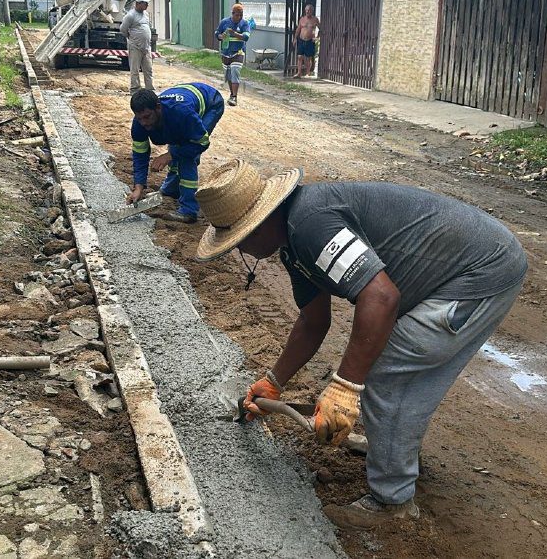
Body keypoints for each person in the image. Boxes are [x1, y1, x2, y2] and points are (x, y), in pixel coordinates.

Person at [195, 159, 526, 529]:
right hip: (459, 267)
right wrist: (274, 380)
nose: (245, 251)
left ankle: (393, 503)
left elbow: (381, 298)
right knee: (383, 368)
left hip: (479, 270)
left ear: (261, 222)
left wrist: (344, 387)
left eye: (242, 240)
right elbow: (313, 321)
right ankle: (393, 451)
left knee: (386, 375)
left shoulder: (310, 224)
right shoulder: (292, 242)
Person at [128, 84, 225, 223]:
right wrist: (138, 188)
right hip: (177, 113)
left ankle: (189, 210)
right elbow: (140, 154)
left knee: (186, 154)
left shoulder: (182, 113)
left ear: (158, 108)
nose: (144, 123)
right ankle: (171, 190)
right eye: (139, 118)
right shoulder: (139, 123)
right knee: (177, 144)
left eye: (147, 117)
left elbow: (201, 143)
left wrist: (169, 156)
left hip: (211, 102)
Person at [214, 4, 251, 107]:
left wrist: (234, 33)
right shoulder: (224, 22)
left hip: (238, 52)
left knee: (235, 71)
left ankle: (234, 96)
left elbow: (246, 37)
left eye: (241, 15)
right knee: (229, 75)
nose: (239, 17)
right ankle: (232, 94)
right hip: (226, 52)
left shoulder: (244, 23)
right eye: (237, 15)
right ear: (233, 14)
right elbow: (217, 33)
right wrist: (222, 36)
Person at [119, 0, 154, 95]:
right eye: (145, 3)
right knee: (135, 70)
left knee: (148, 70)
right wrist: (130, 38)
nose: (147, 5)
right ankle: (135, 89)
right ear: (138, 4)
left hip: (146, 47)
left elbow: (148, 27)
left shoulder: (146, 14)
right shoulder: (130, 15)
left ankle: (150, 89)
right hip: (135, 47)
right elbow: (123, 29)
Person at [292, 4, 321, 78]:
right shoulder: (302, 19)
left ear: (312, 11)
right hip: (301, 39)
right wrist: (295, 38)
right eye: (306, 10)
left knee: (308, 57)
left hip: (310, 40)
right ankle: (299, 73)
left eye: (309, 10)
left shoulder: (315, 19)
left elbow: (321, 29)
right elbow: (298, 29)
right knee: (299, 56)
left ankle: (308, 73)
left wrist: (317, 37)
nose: (307, 11)